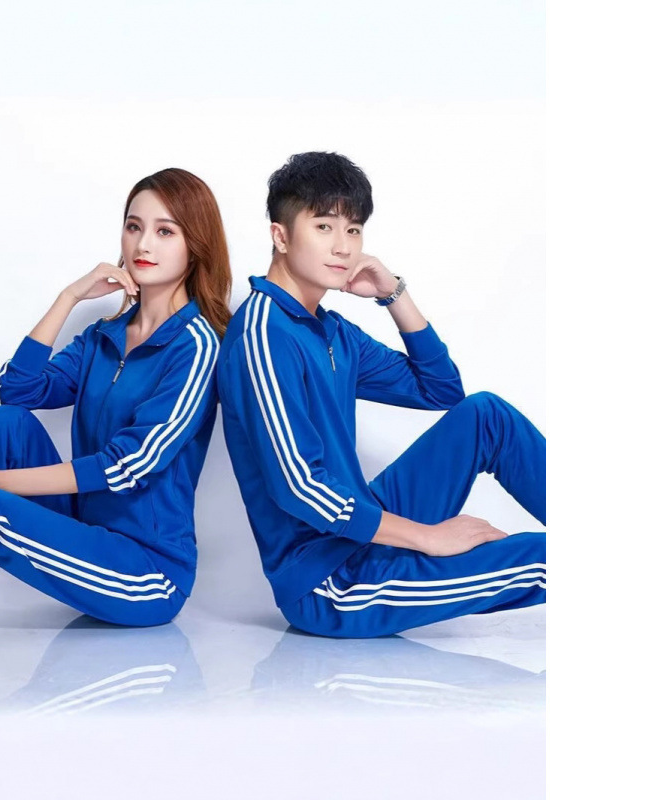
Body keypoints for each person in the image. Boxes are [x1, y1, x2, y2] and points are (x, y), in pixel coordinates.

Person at [217, 152, 545, 639]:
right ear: (280, 237)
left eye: (353, 230)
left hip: (364, 530)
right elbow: (299, 487)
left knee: (486, 416)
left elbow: (441, 390)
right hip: (331, 582)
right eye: (324, 226)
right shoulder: (263, 335)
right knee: (547, 559)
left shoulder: (330, 331)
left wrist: (393, 295)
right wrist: (429, 538)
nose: (343, 246)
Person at [0, 167, 231, 626]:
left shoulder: (198, 346)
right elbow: (18, 391)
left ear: (195, 245)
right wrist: (70, 297)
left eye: (165, 231)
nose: (142, 245)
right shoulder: (105, 336)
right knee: (8, 424)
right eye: (134, 226)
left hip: (146, 572)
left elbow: (127, 466)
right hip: (84, 534)